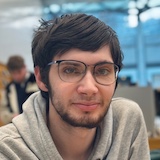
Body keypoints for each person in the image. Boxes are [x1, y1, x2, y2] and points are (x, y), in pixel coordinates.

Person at [0, 14, 150, 159]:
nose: (89, 88)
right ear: (41, 78)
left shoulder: (126, 122)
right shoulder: (7, 149)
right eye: (70, 70)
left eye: (103, 70)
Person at [1, 55, 39, 124]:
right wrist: (11, 116)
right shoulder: (8, 88)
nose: (17, 76)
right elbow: (2, 110)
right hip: (17, 125)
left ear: (24, 67)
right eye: (13, 73)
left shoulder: (37, 81)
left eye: (19, 72)